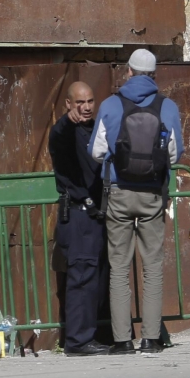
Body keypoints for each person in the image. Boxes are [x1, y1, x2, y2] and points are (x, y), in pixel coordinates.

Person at [90, 49, 182, 354]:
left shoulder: (110, 105)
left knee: (119, 266)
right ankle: (151, 339)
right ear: (153, 75)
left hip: (118, 192)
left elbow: (96, 152)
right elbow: (174, 154)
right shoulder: (167, 107)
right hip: (153, 193)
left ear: (128, 71)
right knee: (152, 265)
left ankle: (122, 340)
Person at [50, 82, 110, 356]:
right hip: (77, 215)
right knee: (82, 278)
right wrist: (65, 121)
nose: (85, 107)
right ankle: (77, 341)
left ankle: (94, 335)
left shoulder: (95, 128)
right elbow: (58, 137)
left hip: (97, 216)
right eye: (79, 103)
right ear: (68, 104)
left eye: (90, 101)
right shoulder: (64, 131)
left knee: (97, 279)